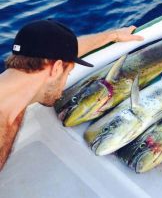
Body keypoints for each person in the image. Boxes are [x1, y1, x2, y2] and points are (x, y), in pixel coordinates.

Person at [0, 19, 143, 170]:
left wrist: (113, 35)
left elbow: (64, 52)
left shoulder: (18, 88)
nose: (63, 86)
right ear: (56, 69)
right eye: (68, 73)